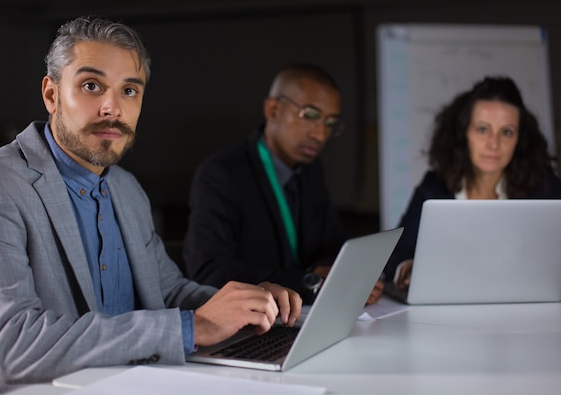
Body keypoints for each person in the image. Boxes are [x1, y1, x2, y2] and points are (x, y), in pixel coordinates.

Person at [0, 16, 301, 395]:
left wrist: (247, 305)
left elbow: (168, 292)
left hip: (132, 381)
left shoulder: (126, 188)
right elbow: (15, 346)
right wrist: (192, 326)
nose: (112, 108)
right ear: (51, 95)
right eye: (92, 86)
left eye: (130, 90)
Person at [182, 63, 384, 305]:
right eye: (310, 115)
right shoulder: (222, 173)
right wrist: (307, 282)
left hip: (305, 316)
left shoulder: (312, 171)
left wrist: (344, 274)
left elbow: (330, 243)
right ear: (273, 109)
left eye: (330, 123)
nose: (320, 135)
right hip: (252, 322)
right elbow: (208, 270)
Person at [384, 76, 561, 289]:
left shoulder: (544, 188)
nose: (494, 144)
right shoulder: (434, 186)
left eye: (506, 132)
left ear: (520, 139)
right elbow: (398, 253)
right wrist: (409, 268)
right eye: (482, 129)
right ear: (463, 133)